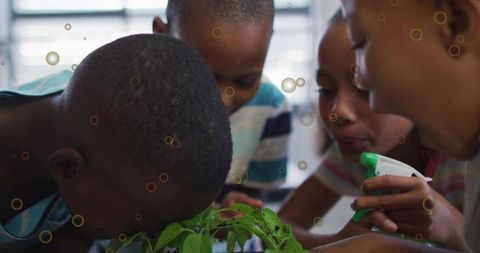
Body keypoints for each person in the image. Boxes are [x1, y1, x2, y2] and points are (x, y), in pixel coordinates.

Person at [0, 34, 232, 252]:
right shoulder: (97, 146)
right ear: (67, 168)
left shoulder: (91, 132)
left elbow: (74, 230)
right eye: (134, 227)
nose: (151, 240)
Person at [279, 10, 466, 250]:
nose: (339, 112)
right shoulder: (356, 152)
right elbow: (278, 226)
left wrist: (453, 228)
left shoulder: (463, 161)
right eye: (325, 90)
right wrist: (335, 241)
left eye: (364, 88)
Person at [152, 0, 291, 200]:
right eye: (203, 75)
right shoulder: (128, 100)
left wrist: (228, 219)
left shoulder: (271, 108)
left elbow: (249, 206)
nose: (223, 100)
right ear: (162, 35)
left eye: (245, 82)